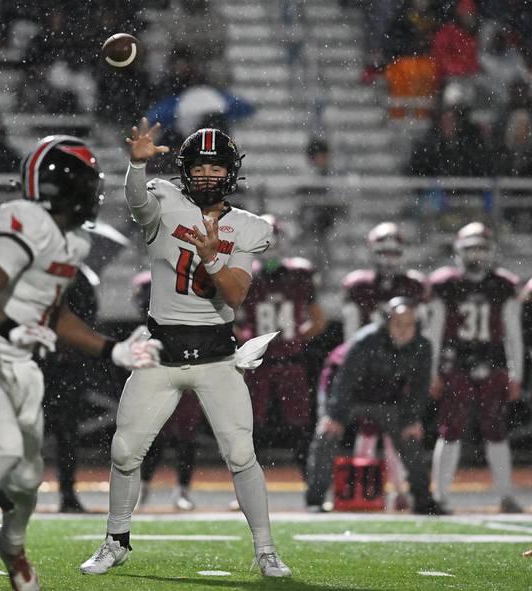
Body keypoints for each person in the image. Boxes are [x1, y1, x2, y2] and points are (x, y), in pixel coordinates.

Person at [0, 135, 162, 591]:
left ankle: (11, 545)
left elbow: (56, 313)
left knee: (28, 478)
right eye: (90, 184)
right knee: (4, 449)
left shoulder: (73, 243)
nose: (95, 194)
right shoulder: (25, 220)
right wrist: (12, 328)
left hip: (20, 366)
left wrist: (112, 350)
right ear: (66, 185)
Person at [79, 120, 292, 578]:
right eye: (200, 165)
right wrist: (135, 164)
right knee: (124, 451)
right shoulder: (165, 201)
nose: (208, 174)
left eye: (217, 167)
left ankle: (266, 550)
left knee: (240, 454)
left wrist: (213, 256)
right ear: (184, 169)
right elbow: (137, 202)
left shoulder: (246, 227)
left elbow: (235, 295)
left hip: (217, 354)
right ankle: (116, 540)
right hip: (162, 350)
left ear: (231, 173)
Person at [305, 298, 446, 515]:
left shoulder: (422, 346)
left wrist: (411, 418)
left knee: (410, 436)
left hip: (386, 398)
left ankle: (423, 500)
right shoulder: (365, 341)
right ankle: (315, 499)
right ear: (387, 323)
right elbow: (344, 381)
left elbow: (419, 389)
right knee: (327, 433)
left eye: (409, 324)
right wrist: (334, 414)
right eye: (398, 323)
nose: (403, 330)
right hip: (346, 395)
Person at [428, 222, 525, 514]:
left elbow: (513, 333)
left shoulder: (502, 284)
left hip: (493, 363)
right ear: (459, 251)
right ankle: (441, 495)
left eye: (481, 249)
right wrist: (433, 371)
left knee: (496, 431)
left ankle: (506, 495)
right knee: (450, 430)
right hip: (457, 363)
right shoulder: (446, 284)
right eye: (471, 249)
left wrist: (516, 373)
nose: (476, 256)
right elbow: (435, 332)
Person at [341, 222, 427, 511]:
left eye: (393, 252)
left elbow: (418, 332)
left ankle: (400, 490)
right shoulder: (359, 284)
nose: (388, 258)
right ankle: (361, 488)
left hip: (399, 366)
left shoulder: (413, 285)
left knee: (398, 431)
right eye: (383, 251)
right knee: (366, 430)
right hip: (367, 368)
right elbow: (351, 334)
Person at [238, 215, 327, 473]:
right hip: (268, 363)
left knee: (294, 425)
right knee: (256, 425)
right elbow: (319, 322)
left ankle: (311, 482)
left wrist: (289, 339)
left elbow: (319, 321)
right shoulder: (248, 275)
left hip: (278, 362)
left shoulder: (297, 274)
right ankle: (307, 483)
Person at [132, 271, 204, 512]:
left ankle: (182, 489)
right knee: (154, 434)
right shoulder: (148, 283)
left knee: (187, 436)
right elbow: (145, 316)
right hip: (158, 360)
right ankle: (143, 486)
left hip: (185, 358)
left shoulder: (189, 280)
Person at [39, 268, 101, 513]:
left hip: (60, 367)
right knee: (60, 433)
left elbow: (88, 317)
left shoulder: (70, 276)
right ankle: (63, 493)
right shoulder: (71, 275)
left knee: (65, 434)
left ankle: (66, 492)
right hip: (52, 365)